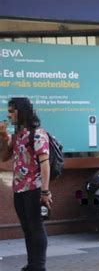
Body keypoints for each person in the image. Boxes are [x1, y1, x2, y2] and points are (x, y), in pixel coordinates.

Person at [0, 97, 51, 271]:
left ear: (22, 112)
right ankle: (32, 264)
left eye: (12, 111)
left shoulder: (37, 133)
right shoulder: (17, 135)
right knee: (27, 228)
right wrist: (4, 137)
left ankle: (39, 265)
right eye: (8, 111)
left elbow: (45, 163)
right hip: (19, 188)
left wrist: (45, 192)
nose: (9, 114)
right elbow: (4, 157)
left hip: (34, 188)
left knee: (36, 226)